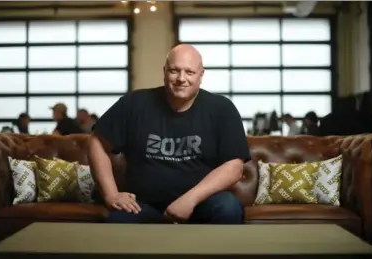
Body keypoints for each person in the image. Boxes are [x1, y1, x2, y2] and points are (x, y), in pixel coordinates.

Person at [88, 44, 251, 224]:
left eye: (189, 72)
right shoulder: (134, 104)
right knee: (118, 218)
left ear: (201, 75)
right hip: (143, 203)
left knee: (228, 207)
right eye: (174, 71)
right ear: (164, 71)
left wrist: (190, 200)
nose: (181, 78)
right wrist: (111, 195)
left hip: (201, 203)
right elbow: (97, 143)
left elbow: (234, 167)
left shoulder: (222, 108)